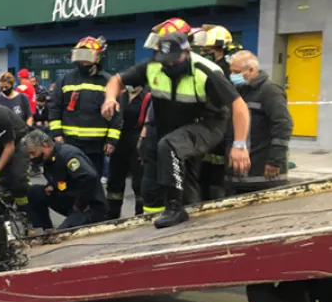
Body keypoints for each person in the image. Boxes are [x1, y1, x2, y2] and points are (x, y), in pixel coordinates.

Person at [102, 18, 251, 228]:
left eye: (173, 60)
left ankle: (174, 208)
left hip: (208, 124)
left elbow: (239, 106)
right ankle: (189, 216)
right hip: (173, 128)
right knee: (178, 172)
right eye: (165, 60)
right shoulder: (154, 66)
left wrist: (239, 145)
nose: (169, 64)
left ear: (186, 53)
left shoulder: (205, 71)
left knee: (169, 146)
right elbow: (116, 80)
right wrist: (110, 98)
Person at [49, 36, 122, 177]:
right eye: (80, 56)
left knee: (92, 180)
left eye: (87, 56)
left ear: (98, 57)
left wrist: (112, 141)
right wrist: (57, 135)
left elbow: (117, 115)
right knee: (68, 180)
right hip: (69, 143)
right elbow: (54, 108)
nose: (83, 60)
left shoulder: (108, 82)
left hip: (96, 146)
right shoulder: (65, 80)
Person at [225, 50, 293, 194]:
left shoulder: (270, 91)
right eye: (231, 71)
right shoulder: (237, 92)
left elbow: (283, 125)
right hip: (238, 176)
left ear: (251, 70)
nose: (233, 76)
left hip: (264, 175)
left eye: (236, 72)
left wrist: (275, 161)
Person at [22, 129, 108, 230]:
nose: (32, 157)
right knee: (34, 191)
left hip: (89, 206)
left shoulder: (67, 155)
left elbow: (89, 177)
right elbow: (58, 175)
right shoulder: (48, 157)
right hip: (69, 198)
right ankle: (45, 228)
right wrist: (51, 185)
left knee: (61, 235)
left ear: (44, 145)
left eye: (33, 153)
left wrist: (79, 204)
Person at [190, 24, 239, 200]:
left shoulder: (225, 71)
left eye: (208, 50)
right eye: (203, 50)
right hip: (206, 126)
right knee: (203, 171)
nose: (204, 54)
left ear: (221, 50)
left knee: (218, 174)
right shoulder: (207, 68)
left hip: (222, 126)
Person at [104, 85, 150, 218]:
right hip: (119, 142)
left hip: (138, 142)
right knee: (114, 181)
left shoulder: (147, 97)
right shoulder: (120, 96)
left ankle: (140, 214)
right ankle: (112, 214)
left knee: (139, 181)